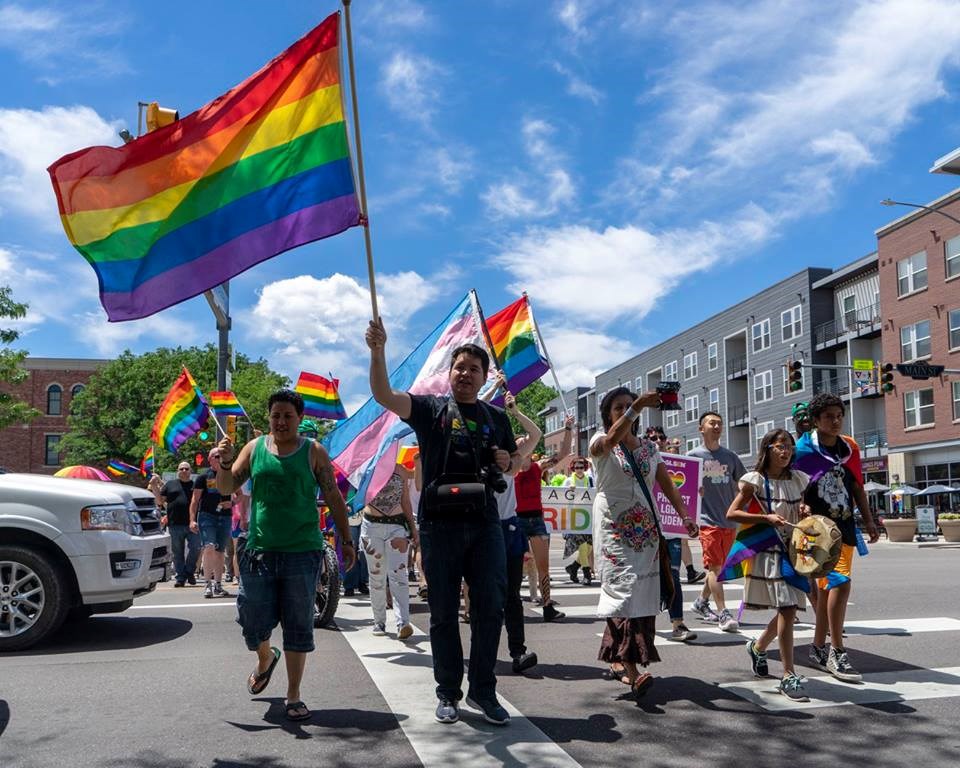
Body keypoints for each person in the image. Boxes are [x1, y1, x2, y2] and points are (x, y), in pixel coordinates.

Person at [366, 318, 519, 726]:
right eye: (460, 368)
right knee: (443, 613)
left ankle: (483, 692)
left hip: (485, 524)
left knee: (490, 608)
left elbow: (513, 464)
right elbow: (383, 394)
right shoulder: (430, 409)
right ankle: (448, 692)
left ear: (484, 378)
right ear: (449, 374)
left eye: (474, 369)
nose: (466, 374)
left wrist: (508, 460)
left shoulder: (496, 418)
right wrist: (377, 349)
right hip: (439, 525)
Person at [216, 389, 355, 722]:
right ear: (269, 418)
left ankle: (293, 695)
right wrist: (222, 462)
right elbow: (224, 488)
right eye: (275, 415)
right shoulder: (253, 449)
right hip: (259, 553)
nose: (280, 421)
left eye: (287, 416)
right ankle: (265, 658)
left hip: (302, 552)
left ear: (300, 419)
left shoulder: (314, 452)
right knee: (251, 621)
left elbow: (334, 497)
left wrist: (346, 540)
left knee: (297, 626)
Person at [591, 388, 699, 699]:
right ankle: (632, 669)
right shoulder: (601, 443)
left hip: (647, 532)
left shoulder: (650, 449)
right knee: (623, 593)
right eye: (619, 408)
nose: (625, 411)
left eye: (629, 405)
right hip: (614, 529)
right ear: (608, 415)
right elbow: (612, 439)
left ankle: (616, 656)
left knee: (642, 594)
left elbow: (667, 486)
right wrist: (637, 406)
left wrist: (685, 517)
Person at [794, 394, 879, 683]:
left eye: (839, 415)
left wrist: (868, 520)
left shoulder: (849, 448)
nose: (835, 420)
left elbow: (857, 485)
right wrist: (800, 505)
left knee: (831, 589)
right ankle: (837, 651)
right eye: (828, 416)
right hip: (813, 531)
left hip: (843, 528)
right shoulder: (803, 450)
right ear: (815, 421)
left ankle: (818, 648)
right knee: (838, 584)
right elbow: (794, 487)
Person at [726, 429, 811, 701]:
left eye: (789, 447)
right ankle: (788, 675)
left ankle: (758, 646)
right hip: (768, 548)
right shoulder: (755, 481)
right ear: (768, 449)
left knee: (790, 611)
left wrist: (804, 512)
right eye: (780, 446)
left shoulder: (798, 479)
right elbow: (733, 513)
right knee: (787, 608)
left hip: (795, 549)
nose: (785, 451)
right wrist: (766, 518)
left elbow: (800, 508)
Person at [487, 388, 542, 675]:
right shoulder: (478, 462)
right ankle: (483, 656)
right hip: (482, 533)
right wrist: (493, 390)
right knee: (487, 597)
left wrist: (515, 411)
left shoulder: (513, 464)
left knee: (511, 596)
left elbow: (535, 436)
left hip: (509, 531)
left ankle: (518, 652)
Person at [513, 413, 575, 622]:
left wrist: (567, 428)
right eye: (521, 443)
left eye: (527, 442)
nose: (525, 444)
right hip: (516, 520)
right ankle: (511, 605)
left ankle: (547, 605)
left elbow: (565, 452)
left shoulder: (539, 467)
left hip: (535, 519)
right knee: (512, 567)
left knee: (543, 566)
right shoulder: (510, 470)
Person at [688, 412, 746, 632]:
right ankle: (724, 613)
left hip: (729, 521)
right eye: (712, 423)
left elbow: (743, 483)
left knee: (719, 568)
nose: (717, 426)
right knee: (715, 567)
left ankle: (701, 602)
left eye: (720, 423)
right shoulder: (693, 457)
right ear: (701, 428)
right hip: (707, 520)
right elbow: (680, 486)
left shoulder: (730, 457)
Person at [361, 465, 418, 639]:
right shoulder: (367, 468)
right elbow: (360, 496)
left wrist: (413, 529)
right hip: (372, 526)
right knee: (376, 576)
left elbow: (405, 500)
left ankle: (403, 623)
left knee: (399, 576)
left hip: (396, 526)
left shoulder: (400, 470)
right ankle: (379, 621)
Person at [189, 448, 235, 598]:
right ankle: (207, 584)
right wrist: (192, 520)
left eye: (222, 455)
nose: (220, 458)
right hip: (207, 516)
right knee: (208, 547)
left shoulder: (230, 475)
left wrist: (232, 503)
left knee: (220, 551)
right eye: (217, 456)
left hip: (225, 517)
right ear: (210, 459)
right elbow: (195, 501)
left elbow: (241, 495)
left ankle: (218, 585)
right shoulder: (203, 477)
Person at [152, 463, 201, 587]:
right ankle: (180, 577)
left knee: (196, 548)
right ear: (177, 471)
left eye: (186, 469)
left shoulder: (196, 485)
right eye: (181, 469)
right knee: (177, 552)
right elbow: (159, 501)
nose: (184, 470)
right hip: (174, 524)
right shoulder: (170, 485)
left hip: (192, 523)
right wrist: (154, 486)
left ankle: (189, 571)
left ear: (191, 471)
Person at [562, 457, 594, 585]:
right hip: (575, 517)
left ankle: (573, 567)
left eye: (581, 467)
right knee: (582, 545)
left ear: (585, 468)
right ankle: (587, 574)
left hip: (588, 516)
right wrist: (568, 490)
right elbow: (560, 496)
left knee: (589, 547)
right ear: (573, 468)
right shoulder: (568, 480)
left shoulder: (590, 480)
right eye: (576, 467)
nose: (579, 470)